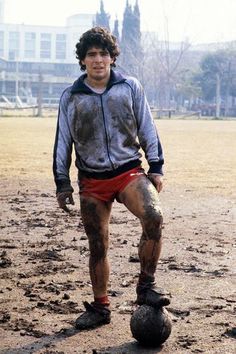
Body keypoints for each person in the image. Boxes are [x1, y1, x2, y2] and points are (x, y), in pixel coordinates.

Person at [53, 26, 170, 330]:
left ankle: (145, 287)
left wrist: (156, 168)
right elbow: (63, 142)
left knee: (154, 217)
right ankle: (101, 307)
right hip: (92, 181)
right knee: (98, 244)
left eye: (104, 53)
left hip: (128, 171)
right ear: (83, 60)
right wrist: (62, 182)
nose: (98, 59)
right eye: (91, 54)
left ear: (112, 58)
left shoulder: (130, 87)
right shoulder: (71, 96)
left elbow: (148, 128)